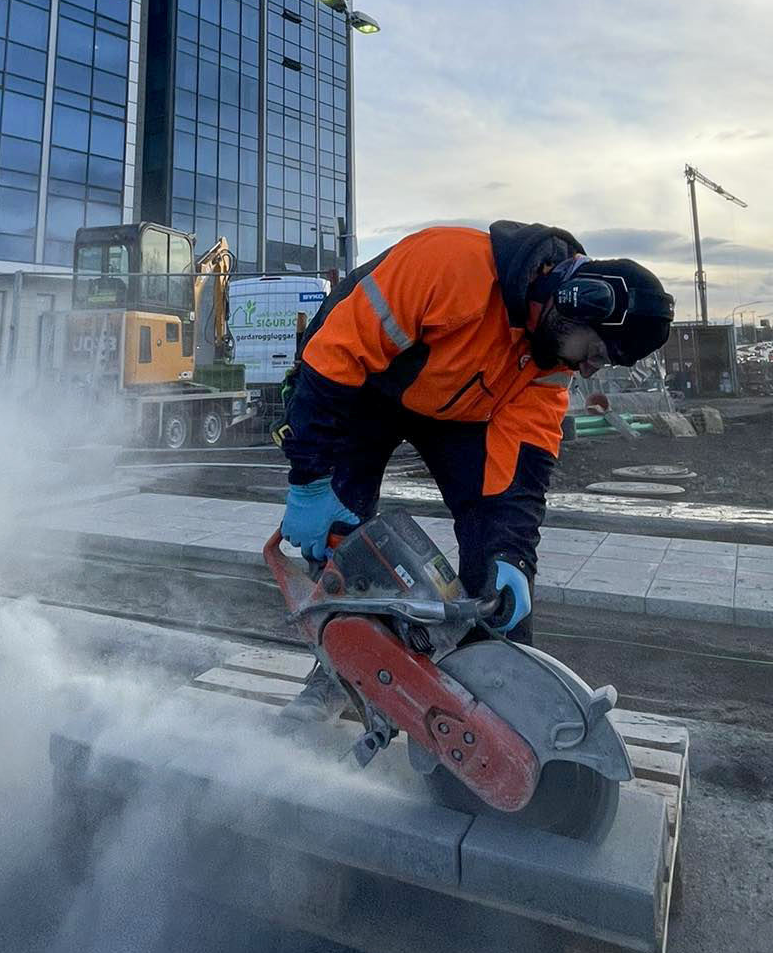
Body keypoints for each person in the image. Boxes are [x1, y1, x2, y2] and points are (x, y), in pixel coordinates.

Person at [276, 220, 673, 720]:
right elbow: (332, 360)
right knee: (342, 534)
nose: (590, 370)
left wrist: (513, 558)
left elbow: (521, 470)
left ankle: (501, 702)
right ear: (577, 302)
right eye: (594, 353)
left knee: (494, 553)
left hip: (457, 410)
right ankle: (337, 676)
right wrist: (311, 482)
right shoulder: (449, 266)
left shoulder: (551, 361)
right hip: (359, 390)